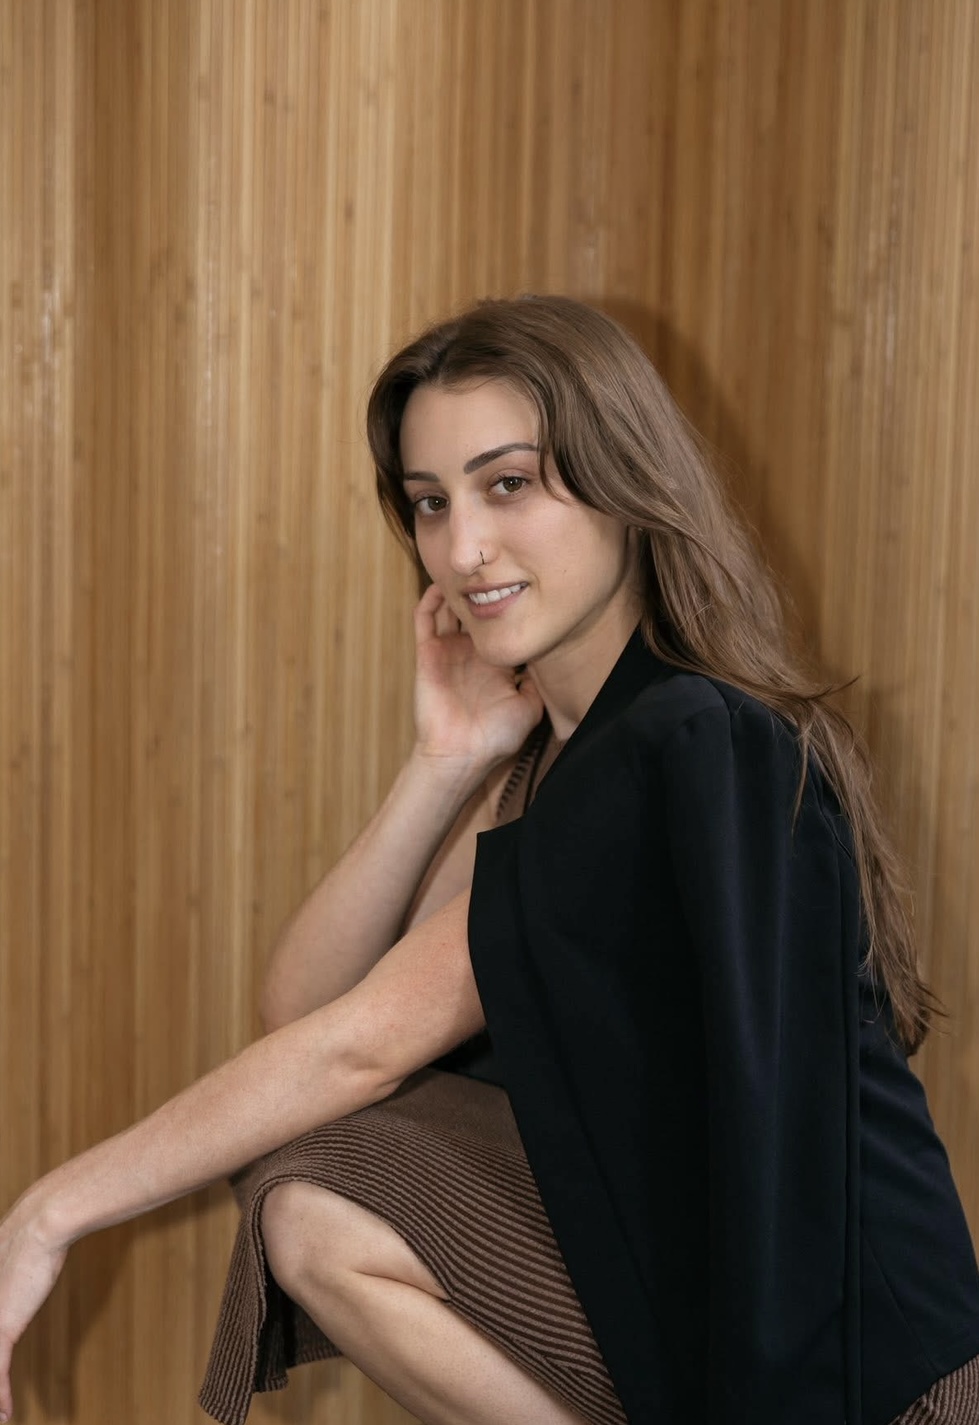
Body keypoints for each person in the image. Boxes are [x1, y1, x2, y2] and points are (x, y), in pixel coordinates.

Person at [1, 296, 978, 1425]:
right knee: (313, 1190)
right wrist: (446, 760)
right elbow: (307, 1012)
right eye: (430, 502)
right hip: (711, 1292)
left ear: (625, 482)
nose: (461, 550)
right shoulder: (572, 756)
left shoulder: (679, 739)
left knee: (313, 1193)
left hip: (870, 1378)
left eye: (507, 484)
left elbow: (356, 1049)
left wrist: (47, 1217)